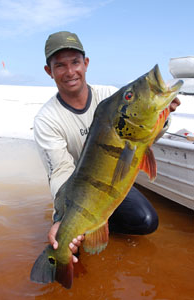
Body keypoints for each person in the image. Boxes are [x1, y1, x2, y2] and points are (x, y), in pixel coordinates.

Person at [34, 31, 180, 263]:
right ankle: (82, 229)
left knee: (146, 221)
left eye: (75, 62)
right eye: (60, 65)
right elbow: (60, 170)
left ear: (86, 63)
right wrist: (63, 218)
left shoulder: (108, 96)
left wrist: (163, 117)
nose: (70, 72)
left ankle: (102, 221)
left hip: (111, 181)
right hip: (78, 192)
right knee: (69, 245)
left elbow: (141, 139)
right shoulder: (46, 119)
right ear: (49, 71)